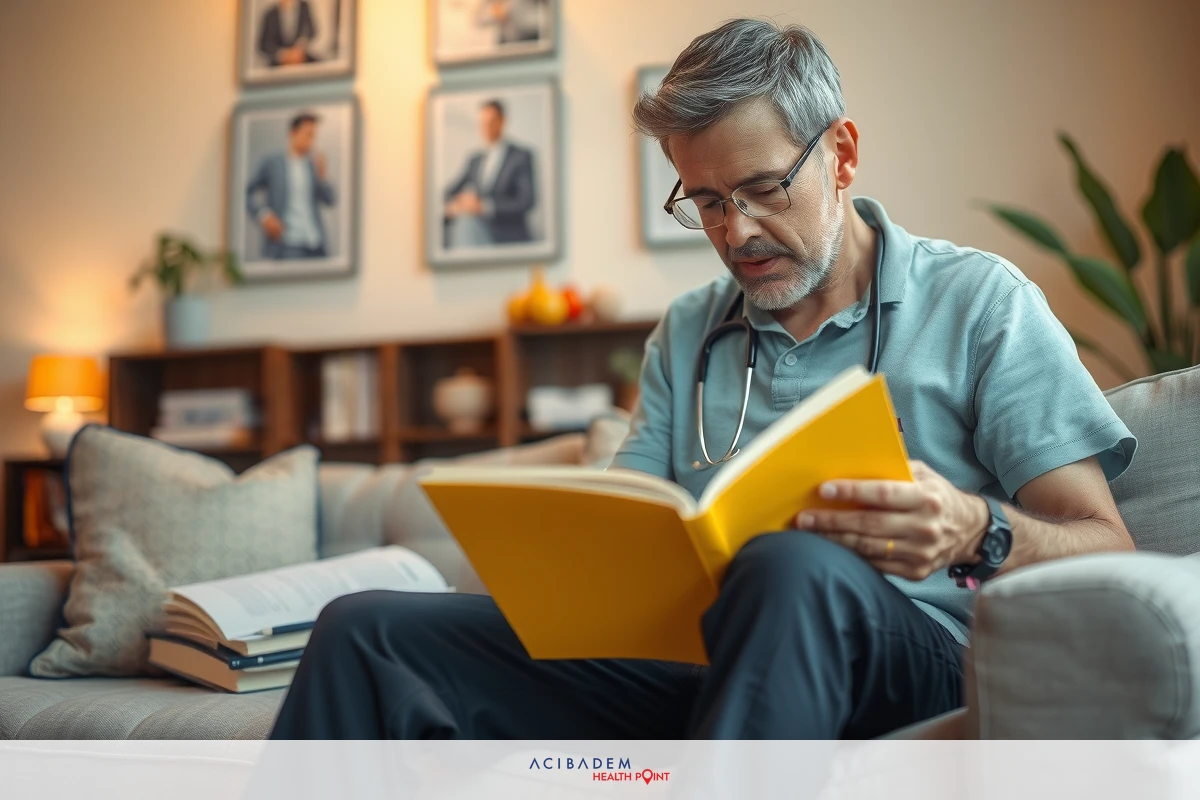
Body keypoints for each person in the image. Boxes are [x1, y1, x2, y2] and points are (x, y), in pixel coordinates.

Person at [270, 19, 1136, 740]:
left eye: (762, 189)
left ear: (840, 154)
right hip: (697, 654)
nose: (737, 231)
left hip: (914, 656)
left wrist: (973, 528)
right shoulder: (690, 329)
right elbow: (624, 531)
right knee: (367, 628)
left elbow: (1106, 544)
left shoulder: (981, 302)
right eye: (707, 201)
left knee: (789, 566)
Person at [443, 99, 536, 248]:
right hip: (480, 236)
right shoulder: (475, 160)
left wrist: (484, 206)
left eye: (491, 122)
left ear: (502, 121)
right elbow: (449, 191)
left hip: (511, 239)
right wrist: (457, 204)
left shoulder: (520, 156)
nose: (486, 128)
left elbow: (526, 201)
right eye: (483, 123)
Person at [245, 111, 336, 260]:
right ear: (293, 133)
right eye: (308, 135)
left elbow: (330, 200)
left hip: (315, 244)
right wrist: (264, 215)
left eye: (314, 136)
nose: (312, 141)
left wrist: (323, 177)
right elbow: (247, 192)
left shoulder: (313, 166)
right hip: (287, 245)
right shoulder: (273, 163)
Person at [258, 0, 318, 67]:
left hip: (302, 58)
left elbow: (310, 30)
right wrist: (282, 54)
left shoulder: (304, 7)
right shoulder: (270, 14)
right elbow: (264, 44)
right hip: (279, 63)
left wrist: (300, 46)